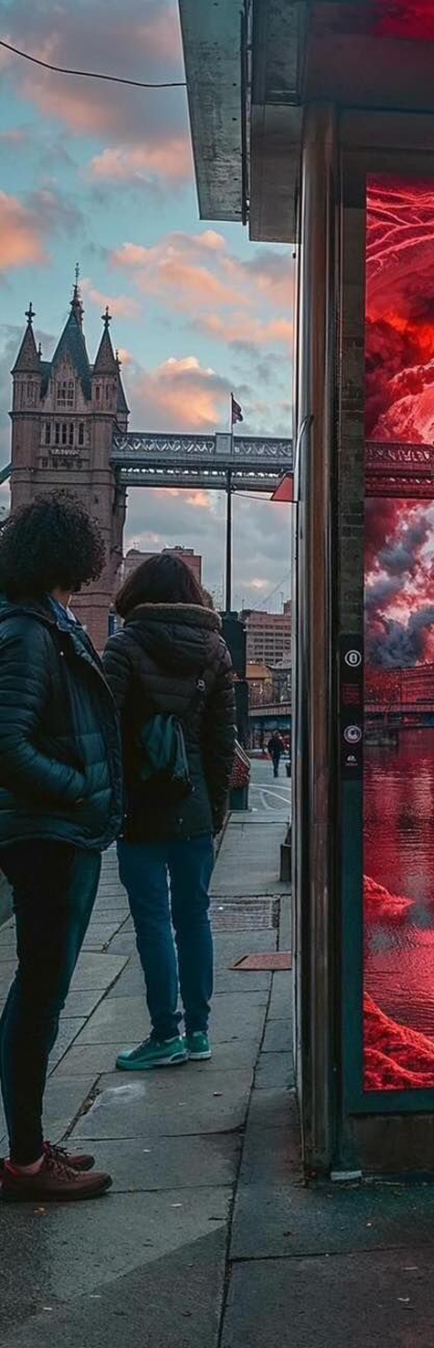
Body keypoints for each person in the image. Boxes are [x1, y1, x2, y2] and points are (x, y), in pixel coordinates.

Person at [0, 496, 123, 1202]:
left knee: (42, 994)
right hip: (49, 836)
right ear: (70, 556)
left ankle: (29, 1144)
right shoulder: (28, 632)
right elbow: (5, 742)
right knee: (39, 997)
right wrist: (75, 788)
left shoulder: (47, 622)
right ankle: (24, 1160)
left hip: (61, 833)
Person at [104, 553, 236, 1071]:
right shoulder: (216, 651)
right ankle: (199, 1032)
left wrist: (112, 801)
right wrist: (216, 808)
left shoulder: (123, 646)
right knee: (194, 916)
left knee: (152, 921)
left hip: (140, 806)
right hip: (194, 803)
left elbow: (105, 731)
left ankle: (165, 1034)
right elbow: (222, 744)